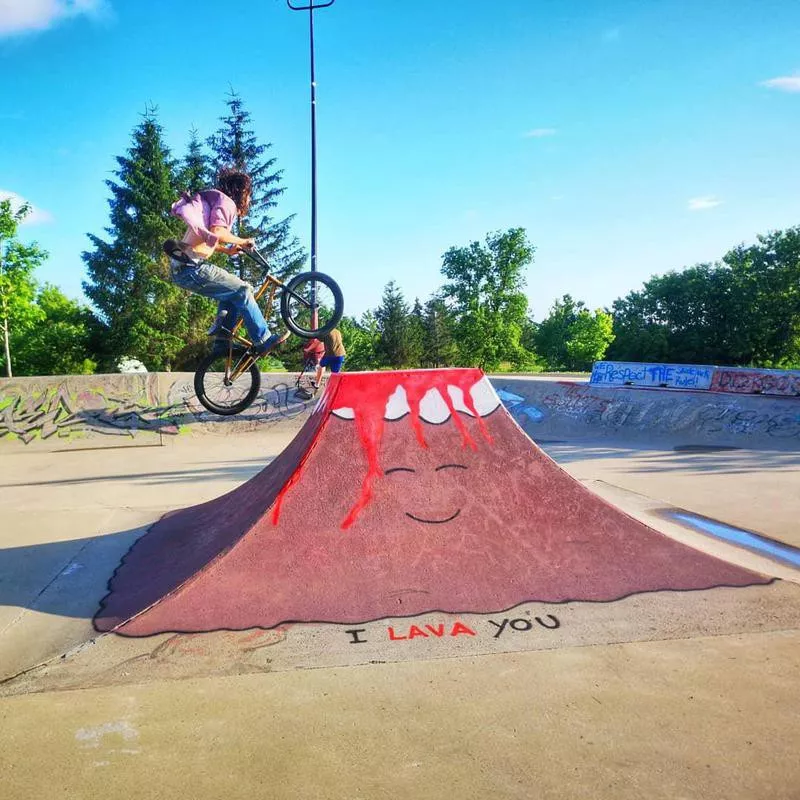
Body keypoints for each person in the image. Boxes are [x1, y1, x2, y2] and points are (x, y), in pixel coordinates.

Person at [166, 168, 288, 355]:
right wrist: (244, 240)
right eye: (249, 196)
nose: (249, 201)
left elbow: (205, 238)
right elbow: (217, 233)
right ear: (241, 192)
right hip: (191, 268)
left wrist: (226, 250)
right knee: (243, 289)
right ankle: (263, 339)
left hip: (185, 267)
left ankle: (222, 341)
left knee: (233, 293)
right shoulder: (227, 203)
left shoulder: (217, 202)